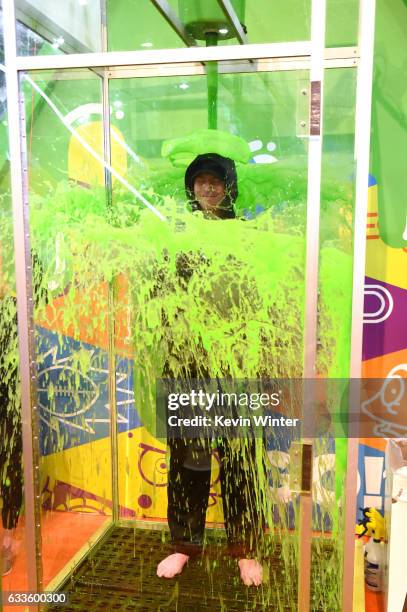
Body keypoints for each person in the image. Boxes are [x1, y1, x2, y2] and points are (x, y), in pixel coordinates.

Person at [156, 153, 267, 586]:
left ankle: (245, 550)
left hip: (238, 365)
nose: (207, 188)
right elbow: (160, 298)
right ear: (191, 187)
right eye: (200, 181)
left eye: (215, 181)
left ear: (229, 187)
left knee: (242, 462)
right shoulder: (175, 232)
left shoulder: (247, 235)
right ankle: (185, 546)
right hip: (188, 366)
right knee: (188, 462)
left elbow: (259, 298)